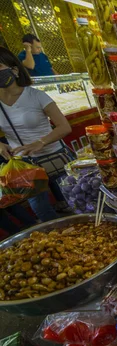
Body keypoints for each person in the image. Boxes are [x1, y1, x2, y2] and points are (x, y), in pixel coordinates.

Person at [0, 47, 73, 222]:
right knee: (41, 209)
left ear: (15, 70)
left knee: (75, 199)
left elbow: (64, 126)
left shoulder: (36, 95)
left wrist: (41, 142)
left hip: (55, 157)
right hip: (25, 165)